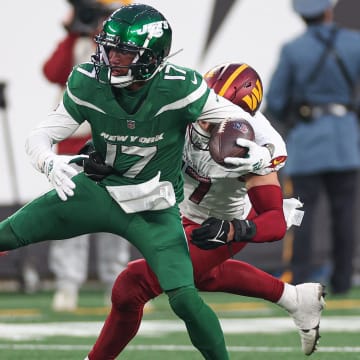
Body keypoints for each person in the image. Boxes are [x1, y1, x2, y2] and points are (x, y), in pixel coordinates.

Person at [0, 4, 286, 358]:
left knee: (184, 299)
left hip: (156, 206)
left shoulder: (182, 88)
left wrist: (263, 153)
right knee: (7, 232)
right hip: (98, 190)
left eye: (123, 52)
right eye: (108, 48)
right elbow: (40, 135)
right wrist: (48, 162)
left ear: (152, 58)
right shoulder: (88, 80)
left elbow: (236, 117)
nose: (109, 58)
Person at [84, 62, 325, 360]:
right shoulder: (183, 104)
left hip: (225, 221)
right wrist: (104, 152)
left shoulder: (255, 147)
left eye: (215, 117)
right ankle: (296, 299)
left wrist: (235, 230)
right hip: (185, 210)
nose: (202, 120)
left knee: (132, 285)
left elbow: (274, 221)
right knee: (201, 276)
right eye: (205, 106)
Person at [266, 0, 360, 294]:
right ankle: (343, 280)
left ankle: (301, 279)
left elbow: (277, 100)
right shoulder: (355, 43)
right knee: (345, 216)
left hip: (307, 142)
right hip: (346, 141)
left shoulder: (294, 50)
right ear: (329, 10)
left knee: (301, 214)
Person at [42, 0, 131, 311]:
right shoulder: (77, 43)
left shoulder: (125, 48)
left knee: (115, 214)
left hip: (113, 139)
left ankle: (116, 284)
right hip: (72, 143)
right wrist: (73, 31)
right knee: (70, 215)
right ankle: (67, 286)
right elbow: (52, 72)